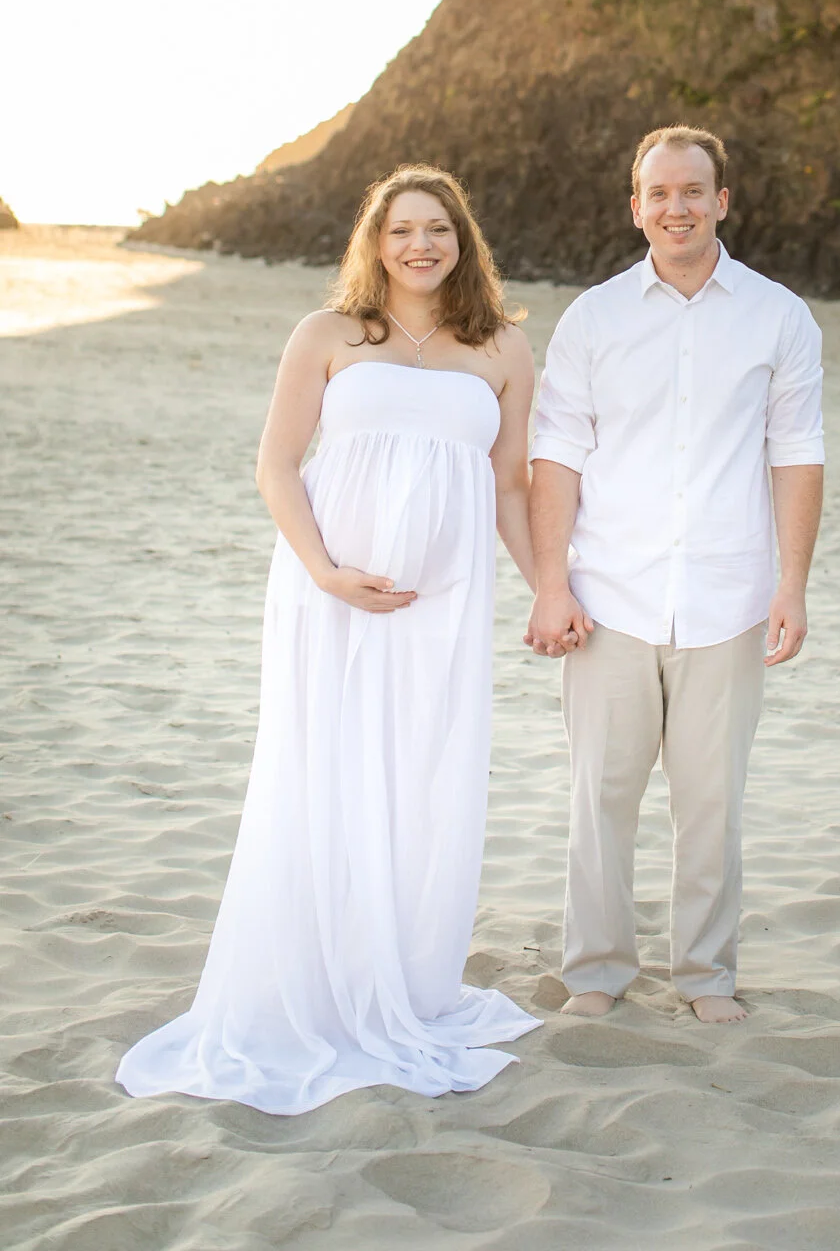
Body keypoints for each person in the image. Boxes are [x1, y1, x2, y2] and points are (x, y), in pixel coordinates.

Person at [117, 165, 540, 1114]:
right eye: (400, 231)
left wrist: (550, 587)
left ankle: (402, 977)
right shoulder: (327, 335)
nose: (419, 245)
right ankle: (317, 977)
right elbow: (276, 465)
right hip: (332, 595)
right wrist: (324, 571)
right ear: (374, 242)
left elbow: (511, 486)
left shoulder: (503, 347)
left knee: (420, 779)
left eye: (437, 229)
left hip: (445, 607)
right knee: (328, 771)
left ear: (462, 240)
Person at [527, 125, 824, 1024]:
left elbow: (797, 454)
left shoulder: (779, 316)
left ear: (722, 201)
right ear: (635, 208)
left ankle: (703, 977)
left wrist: (791, 584)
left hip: (727, 600)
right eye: (658, 194)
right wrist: (551, 583)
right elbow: (555, 456)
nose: (676, 208)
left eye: (692, 191)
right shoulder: (593, 319)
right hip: (608, 596)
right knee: (600, 801)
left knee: (710, 806)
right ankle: (595, 973)